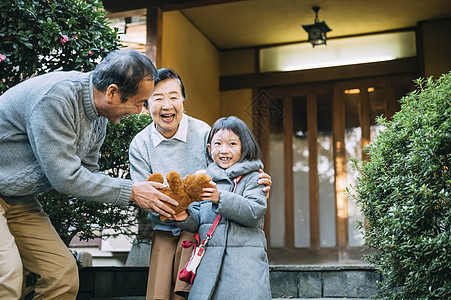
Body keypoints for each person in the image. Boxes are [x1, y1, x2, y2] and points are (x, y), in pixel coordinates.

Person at [0, 49, 179, 300]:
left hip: (18, 198)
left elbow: (87, 173)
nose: (140, 111)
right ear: (113, 92)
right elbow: (66, 177)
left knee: (61, 276)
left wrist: (146, 194)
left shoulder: (99, 117)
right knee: (6, 278)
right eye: (140, 102)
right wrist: (133, 192)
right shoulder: (57, 98)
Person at [129, 69, 271, 300]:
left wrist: (255, 177)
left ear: (183, 99)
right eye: (158, 98)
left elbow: (226, 173)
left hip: (201, 224)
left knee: (189, 292)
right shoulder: (140, 144)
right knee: (158, 293)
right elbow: (141, 193)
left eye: (174, 96)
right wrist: (173, 208)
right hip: (164, 222)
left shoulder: (205, 133)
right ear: (146, 104)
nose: (167, 105)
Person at [174, 116, 271, 300]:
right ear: (209, 149)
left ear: (244, 147)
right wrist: (182, 216)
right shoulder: (203, 179)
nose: (224, 150)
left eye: (232, 143)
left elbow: (254, 211)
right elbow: (198, 220)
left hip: (243, 269)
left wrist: (220, 197)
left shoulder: (254, 177)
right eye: (218, 144)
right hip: (208, 268)